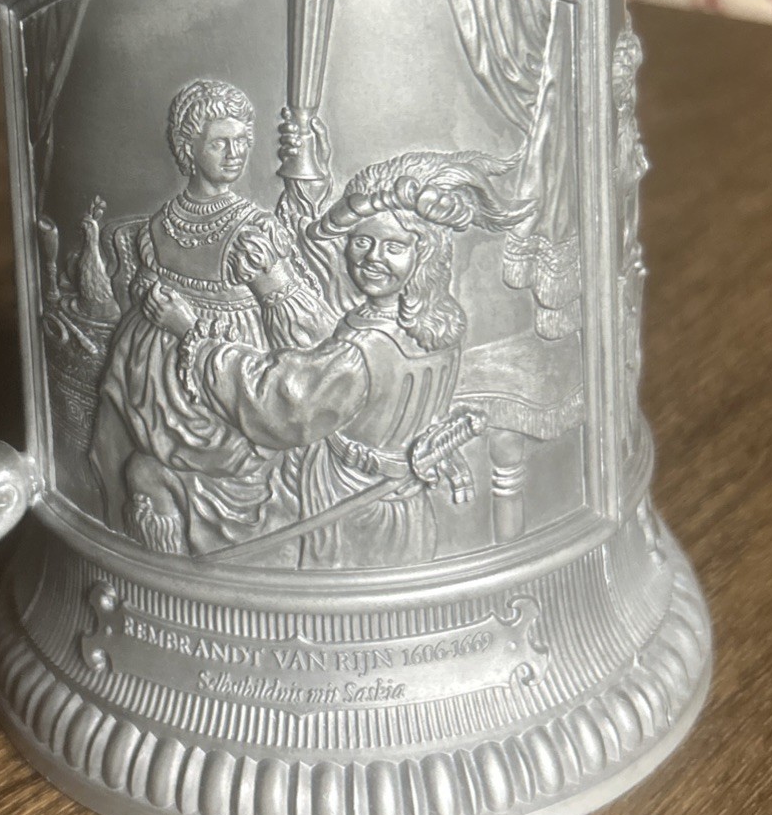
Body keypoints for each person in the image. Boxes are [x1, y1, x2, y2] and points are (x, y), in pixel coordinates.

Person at [151, 152, 528, 569]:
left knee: (163, 477)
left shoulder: (363, 350)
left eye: (394, 246)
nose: (371, 257)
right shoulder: (439, 323)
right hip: (405, 504)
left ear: (424, 254)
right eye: (361, 241)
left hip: (348, 508)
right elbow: (333, 367)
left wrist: (194, 337)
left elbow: (285, 404)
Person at [89, 79, 336, 556]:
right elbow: (148, 286)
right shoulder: (159, 225)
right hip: (159, 392)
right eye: (220, 141)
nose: (235, 152)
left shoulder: (254, 231)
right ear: (188, 146)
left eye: (243, 140)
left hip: (228, 385)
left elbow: (306, 328)